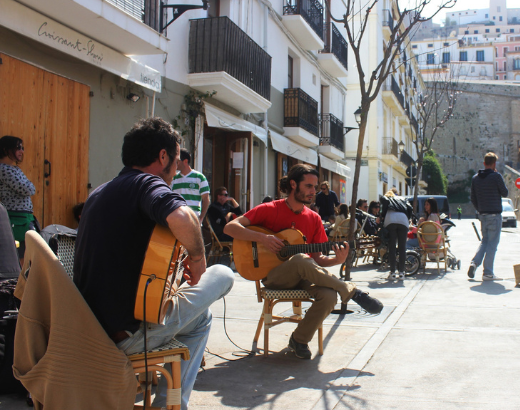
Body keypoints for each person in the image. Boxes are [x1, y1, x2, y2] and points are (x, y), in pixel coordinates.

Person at [73, 118, 234, 409]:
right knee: (222, 274)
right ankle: (169, 405)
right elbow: (182, 217)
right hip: (128, 336)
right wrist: (197, 259)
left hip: (91, 330)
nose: (175, 167)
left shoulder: (101, 191)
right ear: (163, 156)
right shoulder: (146, 184)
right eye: (175, 157)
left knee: (199, 319)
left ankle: (170, 402)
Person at [224, 164, 383, 358]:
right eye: (308, 186)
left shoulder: (314, 219)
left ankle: (299, 340)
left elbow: (317, 260)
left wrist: (336, 260)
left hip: (303, 277)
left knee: (329, 296)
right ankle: (351, 291)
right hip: (273, 276)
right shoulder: (270, 209)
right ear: (293, 184)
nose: (313, 192)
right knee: (300, 258)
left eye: (315, 187)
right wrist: (263, 238)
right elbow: (230, 228)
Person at [468, 152, 509, 281]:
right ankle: (488, 272)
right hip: (494, 215)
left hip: (483, 215)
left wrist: (479, 209)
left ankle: (475, 262)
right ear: (494, 164)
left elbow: (473, 198)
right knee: (492, 244)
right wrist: (497, 176)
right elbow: (505, 193)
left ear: (484, 163)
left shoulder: (475, 178)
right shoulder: (496, 177)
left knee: (484, 241)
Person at [0, 135, 36, 263]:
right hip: (14, 217)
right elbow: (28, 189)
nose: (22, 151)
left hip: (24, 217)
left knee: (28, 253)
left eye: (22, 148)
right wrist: (30, 185)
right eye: (18, 148)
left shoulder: (15, 169)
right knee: (21, 255)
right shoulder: (3, 169)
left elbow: (30, 188)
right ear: (6, 150)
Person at [379, 189, 415, 280]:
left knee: (392, 247)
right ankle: (402, 273)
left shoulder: (387, 198)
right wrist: (408, 218)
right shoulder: (402, 199)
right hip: (403, 221)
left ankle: (392, 273)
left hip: (390, 220)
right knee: (402, 247)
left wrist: (381, 218)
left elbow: (383, 208)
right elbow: (410, 208)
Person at [171, 148, 210, 225]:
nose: (175, 164)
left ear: (185, 161)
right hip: (177, 219)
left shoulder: (199, 177)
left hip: (193, 220)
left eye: (177, 161)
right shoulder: (173, 178)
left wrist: (201, 218)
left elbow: (206, 199)